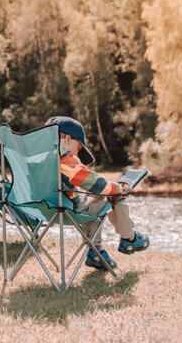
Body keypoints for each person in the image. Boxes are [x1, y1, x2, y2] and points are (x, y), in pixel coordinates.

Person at [48, 115, 149, 270]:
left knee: (89, 199)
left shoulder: (36, 157)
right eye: (78, 149)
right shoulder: (64, 158)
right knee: (110, 196)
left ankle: (96, 251)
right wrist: (118, 188)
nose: (77, 157)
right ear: (68, 139)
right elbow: (94, 183)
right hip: (66, 210)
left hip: (41, 208)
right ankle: (128, 238)